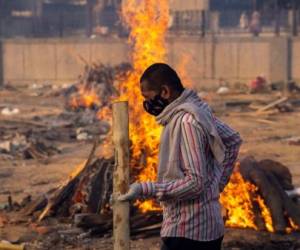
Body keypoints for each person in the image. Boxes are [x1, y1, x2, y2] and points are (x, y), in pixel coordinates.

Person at [118, 63, 242, 250]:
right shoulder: (198, 109)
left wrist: (145, 189)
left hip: (189, 231)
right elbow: (232, 140)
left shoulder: (186, 122)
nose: (147, 105)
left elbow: (195, 183)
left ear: (165, 92)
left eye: (148, 98)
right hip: (207, 228)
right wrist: (217, 184)